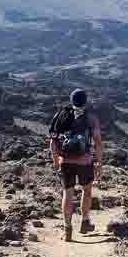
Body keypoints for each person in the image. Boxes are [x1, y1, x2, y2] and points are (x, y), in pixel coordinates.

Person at [49, 88, 103, 242]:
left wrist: (55, 161)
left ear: (71, 100)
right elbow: (97, 142)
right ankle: (85, 222)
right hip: (85, 161)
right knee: (87, 190)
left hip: (65, 161)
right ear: (85, 102)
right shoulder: (91, 118)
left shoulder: (61, 116)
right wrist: (99, 162)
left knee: (68, 193)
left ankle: (67, 228)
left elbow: (53, 142)